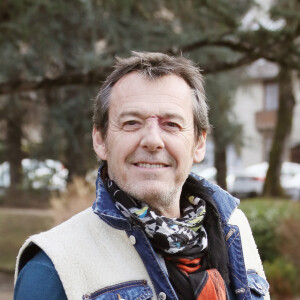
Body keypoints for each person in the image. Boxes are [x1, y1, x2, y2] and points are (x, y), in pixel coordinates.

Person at [14, 52, 270, 300]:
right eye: (131, 123)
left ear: (199, 143)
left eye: (171, 124)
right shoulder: (53, 267)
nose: (152, 140)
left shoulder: (235, 228)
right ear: (100, 140)